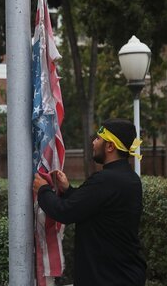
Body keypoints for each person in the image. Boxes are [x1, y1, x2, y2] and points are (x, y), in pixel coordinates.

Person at [33, 118, 146, 286]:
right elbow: (92, 207)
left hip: (108, 279)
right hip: (126, 275)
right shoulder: (130, 178)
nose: (93, 142)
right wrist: (68, 190)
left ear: (110, 146)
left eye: (98, 138)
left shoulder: (106, 180)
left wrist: (43, 190)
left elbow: (64, 212)